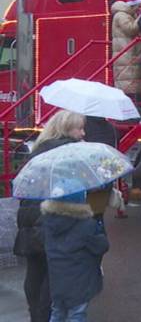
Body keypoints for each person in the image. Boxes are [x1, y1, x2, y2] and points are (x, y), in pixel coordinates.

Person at [13, 110, 85, 322]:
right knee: (52, 284)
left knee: (34, 276)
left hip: (29, 218)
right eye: (79, 128)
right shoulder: (71, 152)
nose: (83, 133)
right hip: (53, 221)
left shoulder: (38, 149)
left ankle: (35, 316)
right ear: (66, 129)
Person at [41, 186, 109, 322]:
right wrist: (99, 228)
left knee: (57, 311)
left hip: (57, 278)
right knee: (77, 314)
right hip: (79, 280)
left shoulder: (48, 222)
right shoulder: (86, 225)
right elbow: (102, 246)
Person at [110, 0, 141, 101]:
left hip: (127, 53)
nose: (139, 9)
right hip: (126, 54)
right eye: (138, 6)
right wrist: (140, 18)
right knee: (128, 84)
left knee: (130, 82)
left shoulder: (127, 15)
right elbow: (131, 29)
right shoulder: (121, 15)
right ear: (132, 6)